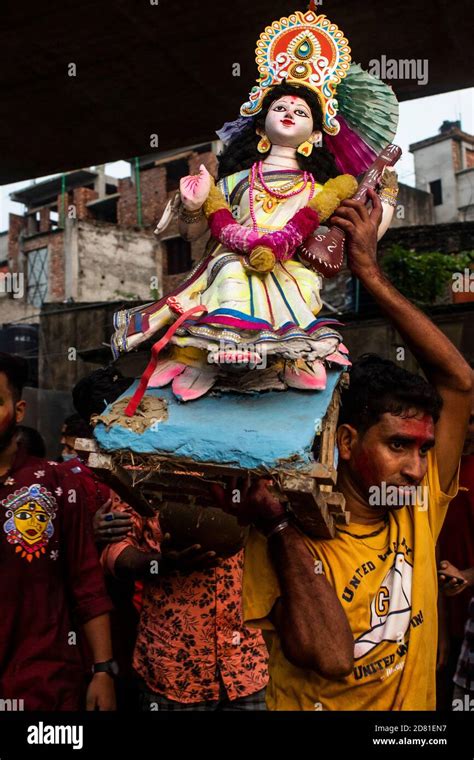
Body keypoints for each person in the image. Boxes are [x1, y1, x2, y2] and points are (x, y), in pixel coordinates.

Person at [216, 188, 473, 710]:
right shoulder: (287, 524)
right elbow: (331, 656)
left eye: (424, 449)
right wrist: (280, 528)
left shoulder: (417, 511)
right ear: (349, 441)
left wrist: (370, 275)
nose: (417, 470)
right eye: (399, 445)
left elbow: (460, 381)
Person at [111, 7, 400, 402]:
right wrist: (194, 204)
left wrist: (384, 197)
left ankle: (274, 355)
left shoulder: (322, 189)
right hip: (230, 261)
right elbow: (194, 234)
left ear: (315, 133)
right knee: (228, 266)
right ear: (261, 123)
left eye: (300, 112)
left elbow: (362, 236)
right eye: (279, 108)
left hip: (291, 269)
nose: (288, 114)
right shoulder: (234, 181)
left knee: (298, 282)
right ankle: (226, 348)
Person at [0, 353, 116, 710]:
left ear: (18, 410)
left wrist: (102, 671)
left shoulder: (56, 483)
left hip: (41, 685)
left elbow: (86, 580)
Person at [100, 507, 269, 711]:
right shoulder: (144, 477)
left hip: (247, 663)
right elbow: (115, 552)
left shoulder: (254, 476)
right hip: (173, 668)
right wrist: (160, 564)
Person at [436, 405, 474, 706]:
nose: (468, 427)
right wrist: (441, 631)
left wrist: (465, 576)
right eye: (465, 418)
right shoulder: (436, 468)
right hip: (442, 617)